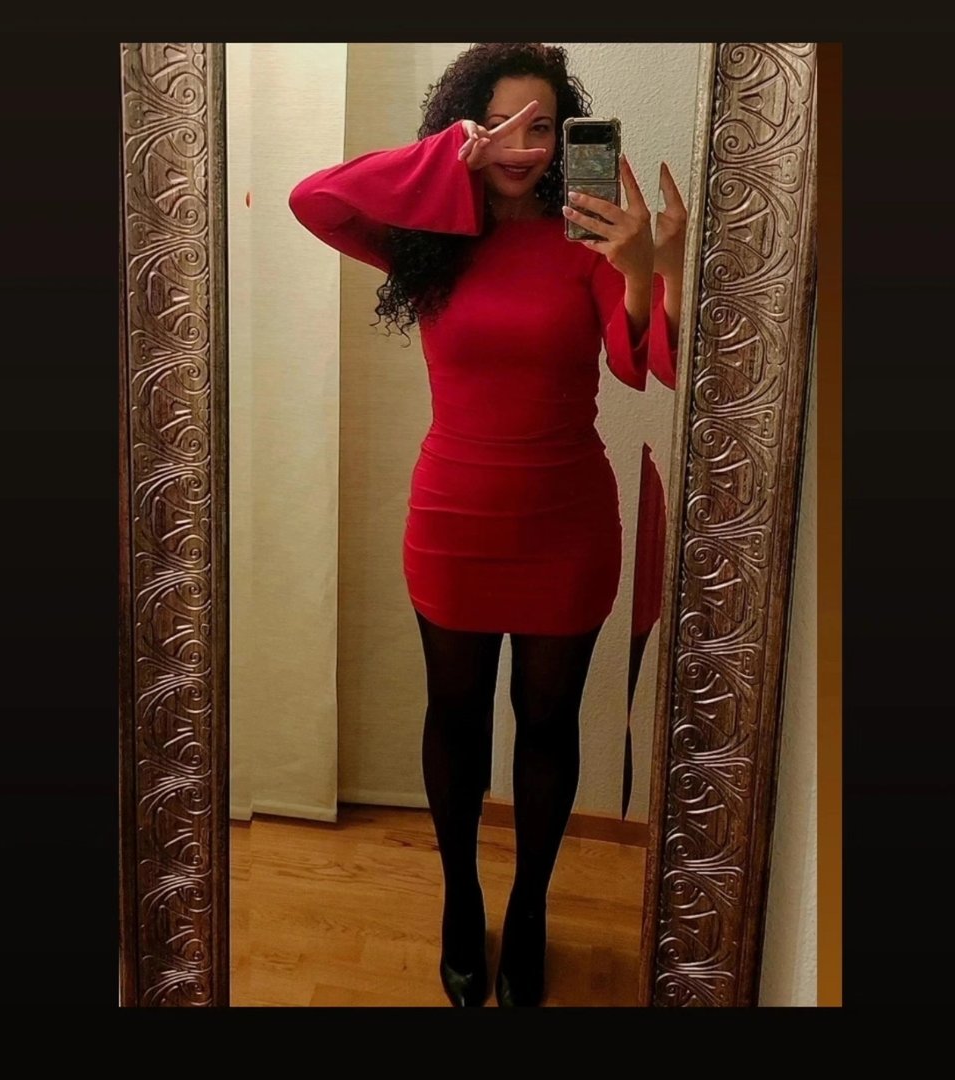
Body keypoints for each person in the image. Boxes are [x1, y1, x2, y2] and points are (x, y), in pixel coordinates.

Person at [290, 42, 684, 1007]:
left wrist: (644, 269)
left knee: (547, 725)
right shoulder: (429, 239)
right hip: (453, 520)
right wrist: (443, 163)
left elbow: (644, 366)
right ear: (463, 127)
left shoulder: (591, 239)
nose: (524, 145)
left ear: (566, 136)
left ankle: (532, 906)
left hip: (564, 523)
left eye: (542, 125)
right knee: (456, 718)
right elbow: (315, 198)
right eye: (500, 123)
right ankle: (461, 899)